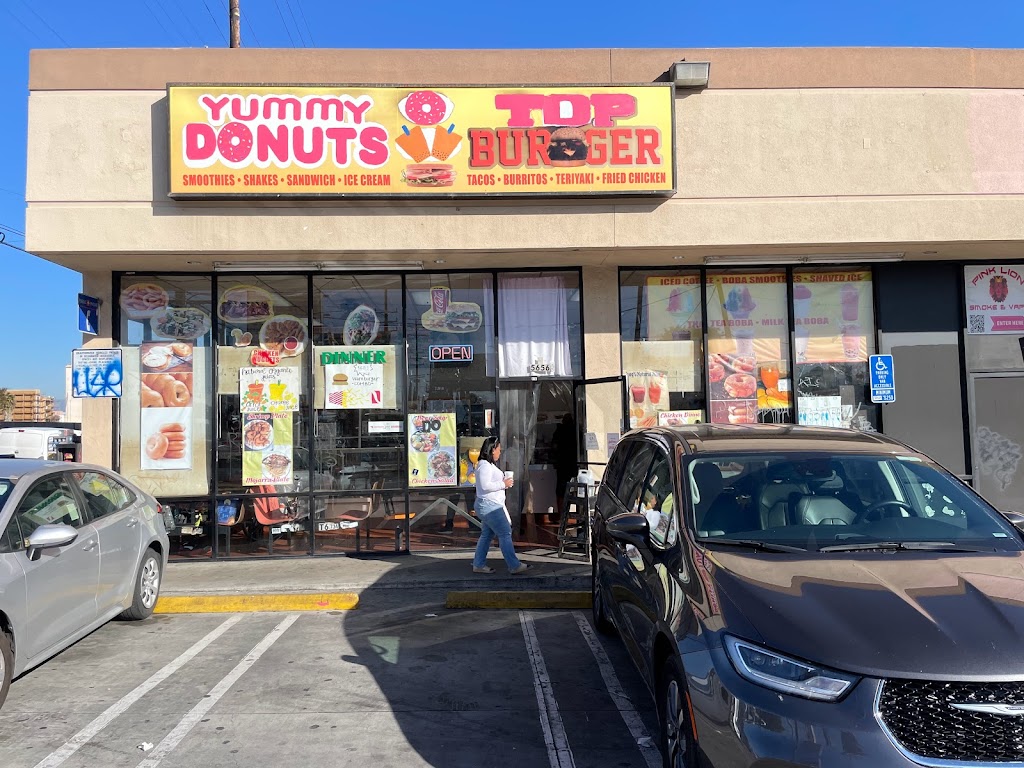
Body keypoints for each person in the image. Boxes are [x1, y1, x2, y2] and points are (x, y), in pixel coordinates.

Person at [472, 436, 531, 574]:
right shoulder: (485, 466)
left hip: (489, 505)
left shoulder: (487, 465)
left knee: (487, 535)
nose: (500, 452)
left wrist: (503, 482)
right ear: (492, 450)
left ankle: (478, 564)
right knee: (505, 532)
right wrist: (503, 484)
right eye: (499, 449)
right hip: (490, 505)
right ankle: (514, 565)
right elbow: (485, 486)